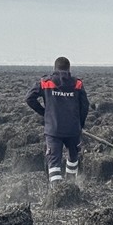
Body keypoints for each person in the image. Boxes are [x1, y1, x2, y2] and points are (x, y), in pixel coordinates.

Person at [25, 56, 89, 185]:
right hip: (72, 130)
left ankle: (56, 192)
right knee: (73, 157)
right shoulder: (77, 83)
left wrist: (44, 113)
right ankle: (71, 185)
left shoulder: (45, 82)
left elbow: (29, 98)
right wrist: (80, 125)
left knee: (54, 161)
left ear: (55, 68)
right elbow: (85, 106)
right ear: (69, 68)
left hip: (53, 130)